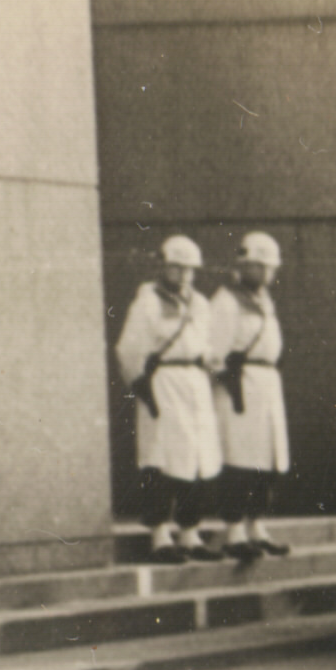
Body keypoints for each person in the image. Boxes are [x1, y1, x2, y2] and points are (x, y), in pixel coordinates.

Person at [114, 235, 226, 563]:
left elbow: (206, 342)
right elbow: (129, 348)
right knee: (161, 456)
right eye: (177, 267)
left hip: (195, 382)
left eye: (189, 269)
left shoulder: (200, 303)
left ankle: (190, 532)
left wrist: (212, 360)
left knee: (198, 456)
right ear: (163, 266)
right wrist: (141, 385)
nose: (184, 274)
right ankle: (160, 534)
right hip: (163, 382)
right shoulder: (147, 301)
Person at [206, 231, 292, 561]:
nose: (268, 272)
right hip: (239, 386)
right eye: (261, 266)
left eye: (270, 267)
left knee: (268, 459)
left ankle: (256, 525)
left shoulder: (263, 300)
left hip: (266, 383)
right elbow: (214, 350)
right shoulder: (227, 301)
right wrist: (228, 378)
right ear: (245, 266)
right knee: (240, 459)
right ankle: (234, 530)